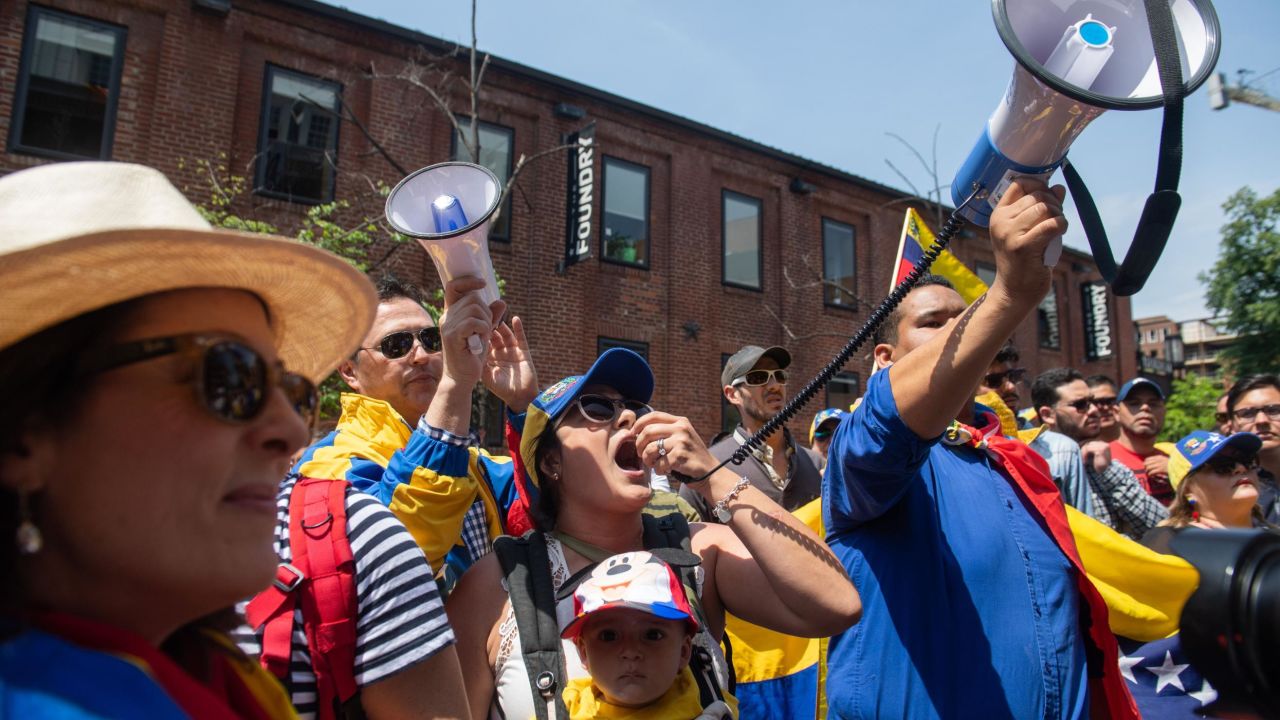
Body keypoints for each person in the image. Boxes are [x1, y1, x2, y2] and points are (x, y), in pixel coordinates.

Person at [0, 161, 448, 717]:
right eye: (229, 377)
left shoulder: (213, 684)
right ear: (24, 434)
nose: (288, 431)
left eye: (291, 390)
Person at [824, 179, 1137, 719]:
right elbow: (889, 419)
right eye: (932, 323)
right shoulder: (862, 452)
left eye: (963, 316)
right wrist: (1008, 296)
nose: (961, 329)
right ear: (882, 357)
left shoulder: (1016, 459)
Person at [445, 348, 860, 720]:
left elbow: (837, 605)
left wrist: (712, 478)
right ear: (552, 462)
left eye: (633, 407)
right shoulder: (497, 584)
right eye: (595, 408)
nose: (628, 416)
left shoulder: (698, 549)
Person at [292, 273, 537, 580]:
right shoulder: (325, 467)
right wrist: (456, 382)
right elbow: (403, 551)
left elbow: (558, 508)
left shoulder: (475, 463)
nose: (421, 356)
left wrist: (525, 405)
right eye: (396, 345)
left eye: (432, 339)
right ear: (349, 371)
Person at [559, 551, 736, 720]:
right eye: (608, 636)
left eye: (652, 635)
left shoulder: (712, 705)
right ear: (583, 652)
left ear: (683, 651)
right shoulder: (560, 711)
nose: (630, 651)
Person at [681, 345, 822, 520]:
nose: (775, 385)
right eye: (758, 377)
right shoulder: (707, 468)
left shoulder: (818, 465)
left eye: (779, 376)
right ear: (732, 394)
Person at [1031, 368, 1167, 539]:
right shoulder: (1032, 465)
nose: (1095, 410)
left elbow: (1161, 526)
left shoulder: (1106, 464)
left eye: (1093, 402)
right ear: (1048, 415)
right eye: (1081, 405)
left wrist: (1107, 472)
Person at [1141, 430, 1275, 554]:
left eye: (1246, 460)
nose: (1240, 468)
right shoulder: (1170, 544)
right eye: (1222, 465)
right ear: (1188, 490)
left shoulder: (1273, 538)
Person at [1225, 374, 1280, 525]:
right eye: (1247, 413)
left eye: (1274, 410)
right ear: (1231, 424)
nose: (1262, 420)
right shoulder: (1220, 482)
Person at [1111, 378, 1174, 505]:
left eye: (1153, 403)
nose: (1145, 408)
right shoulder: (1103, 460)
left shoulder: (1175, 460)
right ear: (1116, 413)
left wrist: (1177, 472)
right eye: (1134, 403)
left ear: (1164, 412)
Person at [1085, 375, 1122, 443]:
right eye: (1096, 403)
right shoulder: (1079, 450)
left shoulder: (1140, 442)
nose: (1105, 408)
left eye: (1110, 401)